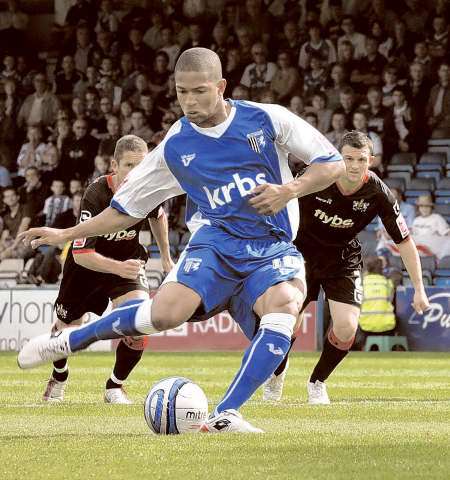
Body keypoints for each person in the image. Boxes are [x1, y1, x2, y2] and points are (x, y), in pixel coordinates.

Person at [18, 48, 345, 433]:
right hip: (215, 243)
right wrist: (66, 234)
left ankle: (226, 414)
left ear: (221, 87)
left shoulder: (266, 118)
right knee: (163, 316)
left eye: (200, 91)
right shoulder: (176, 145)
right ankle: (72, 340)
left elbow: (332, 163)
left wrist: (289, 189)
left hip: (270, 247)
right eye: (181, 92)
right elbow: (127, 208)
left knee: (285, 310)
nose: (189, 102)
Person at [262, 131, 430, 405]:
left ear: (371, 160)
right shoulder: (314, 176)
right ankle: (277, 375)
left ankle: (317, 382)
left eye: (361, 159)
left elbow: (406, 242)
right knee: (287, 323)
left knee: (346, 328)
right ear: (337, 157)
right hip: (300, 255)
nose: (354, 165)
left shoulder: (379, 193)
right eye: (348, 158)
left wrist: (419, 289)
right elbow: (280, 206)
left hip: (342, 259)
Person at [41, 135, 174, 404]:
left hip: (126, 265)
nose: (136, 173)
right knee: (66, 330)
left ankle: (115, 386)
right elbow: (80, 254)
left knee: (139, 324)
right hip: (86, 269)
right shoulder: (96, 193)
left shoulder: (148, 188)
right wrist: (119, 267)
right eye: (129, 166)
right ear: (114, 165)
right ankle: (59, 376)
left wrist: (167, 259)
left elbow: (158, 216)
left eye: (142, 166)